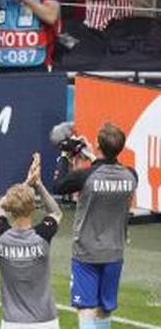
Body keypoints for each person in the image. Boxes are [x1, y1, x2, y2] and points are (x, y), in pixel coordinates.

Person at [52, 123, 139, 329]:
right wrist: (90, 155)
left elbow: (59, 185)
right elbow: (108, 170)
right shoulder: (131, 176)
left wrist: (64, 155)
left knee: (86, 308)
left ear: (99, 145)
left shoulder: (85, 176)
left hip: (86, 252)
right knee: (104, 308)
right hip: (114, 252)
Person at [0, 153, 62, 329]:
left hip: (12, 322)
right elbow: (56, 212)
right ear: (33, 208)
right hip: (46, 321)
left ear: (10, 208)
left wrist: (25, 185)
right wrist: (38, 184)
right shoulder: (43, 235)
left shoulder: (0, 234)